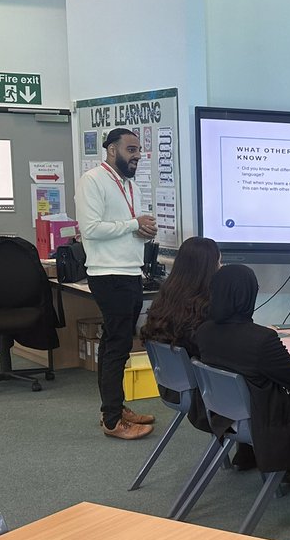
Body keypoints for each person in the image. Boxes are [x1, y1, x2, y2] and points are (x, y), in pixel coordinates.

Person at [78, 127, 157, 440]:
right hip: (108, 274)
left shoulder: (131, 185)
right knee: (116, 348)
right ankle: (112, 420)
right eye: (131, 149)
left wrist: (142, 231)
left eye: (138, 150)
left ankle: (113, 407)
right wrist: (132, 225)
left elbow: (127, 227)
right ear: (112, 150)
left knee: (117, 344)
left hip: (129, 271)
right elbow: (91, 228)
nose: (137, 155)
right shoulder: (93, 181)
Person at [195, 264, 290, 476]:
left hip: (223, 414)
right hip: (262, 421)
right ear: (248, 295)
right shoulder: (261, 340)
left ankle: (247, 455)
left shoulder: (203, 331)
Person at [139, 236, 220, 433]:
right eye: (219, 262)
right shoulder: (203, 311)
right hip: (205, 395)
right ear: (208, 269)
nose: (221, 266)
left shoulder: (166, 301)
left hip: (174, 387)